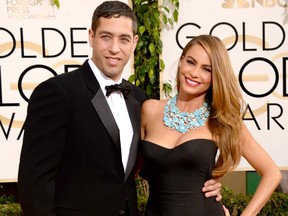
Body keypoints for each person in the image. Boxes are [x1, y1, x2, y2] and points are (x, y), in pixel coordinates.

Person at [17, 2, 222, 216]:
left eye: (123, 39)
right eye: (106, 37)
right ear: (91, 36)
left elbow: (159, 166)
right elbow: (35, 182)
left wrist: (207, 185)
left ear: (134, 42)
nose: (114, 48)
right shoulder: (58, 92)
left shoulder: (139, 100)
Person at [139, 35, 282, 216]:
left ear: (216, 77)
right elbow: (133, 169)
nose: (194, 73)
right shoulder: (150, 110)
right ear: (181, 61)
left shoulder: (221, 119)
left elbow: (272, 173)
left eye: (207, 69)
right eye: (191, 62)